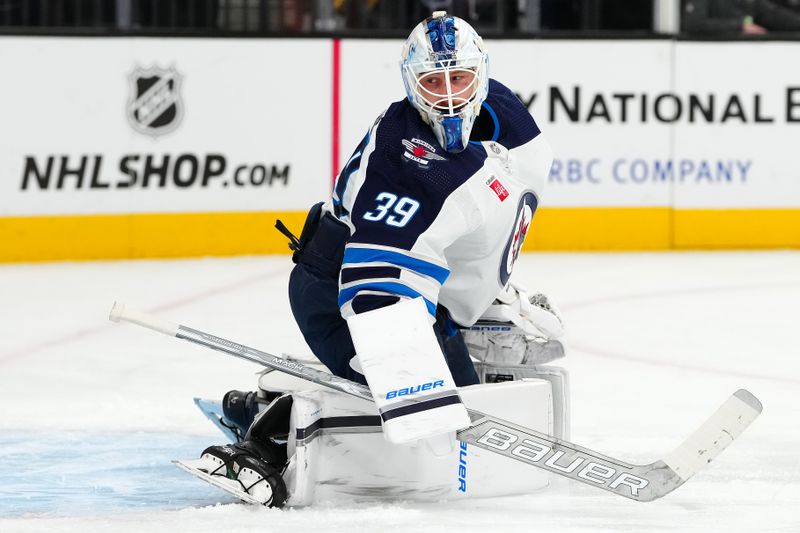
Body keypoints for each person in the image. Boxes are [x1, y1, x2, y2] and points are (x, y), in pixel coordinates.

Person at [195, 11, 563, 507]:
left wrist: (481, 298)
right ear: (411, 83)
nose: (451, 95)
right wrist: (409, 377)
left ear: (482, 72)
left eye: (460, 78)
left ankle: (266, 405)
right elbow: (376, 287)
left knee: (451, 394)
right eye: (434, 82)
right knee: (422, 404)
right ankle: (270, 433)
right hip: (337, 290)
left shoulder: (503, 111)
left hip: (412, 288)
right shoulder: (407, 163)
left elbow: (489, 216)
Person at [682, 0, 800, 34]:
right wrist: (739, 27)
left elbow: (774, 15)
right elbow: (694, 24)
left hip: (742, 60)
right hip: (709, 57)